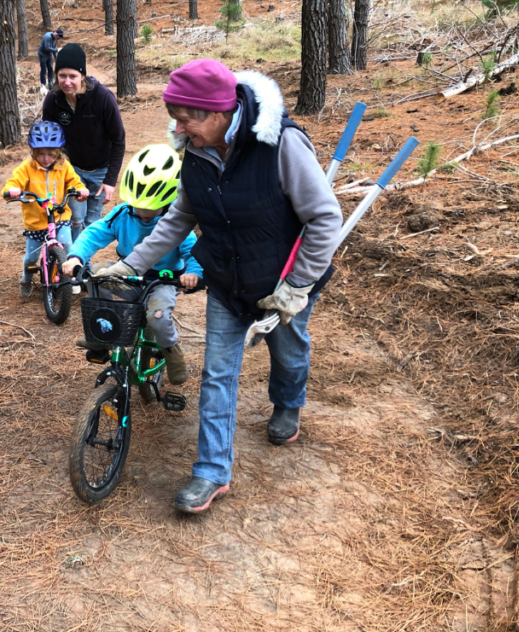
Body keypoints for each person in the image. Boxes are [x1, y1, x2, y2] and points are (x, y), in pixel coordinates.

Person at [95, 60, 343, 515]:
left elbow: (325, 219)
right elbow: (178, 219)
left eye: (185, 117)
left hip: (283, 281)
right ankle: (211, 470)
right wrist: (130, 265)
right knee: (217, 374)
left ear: (218, 112)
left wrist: (297, 286)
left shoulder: (281, 145)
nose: (178, 126)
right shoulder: (197, 153)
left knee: (287, 351)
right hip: (228, 282)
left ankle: (288, 404)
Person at [61, 144, 202, 385]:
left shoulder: (175, 221)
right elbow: (94, 233)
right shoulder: (123, 213)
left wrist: (193, 272)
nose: (143, 212)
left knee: (158, 317)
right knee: (97, 275)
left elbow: (192, 252)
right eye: (138, 204)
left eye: (150, 207)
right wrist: (76, 256)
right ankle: (101, 335)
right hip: (127, 275)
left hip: (162, 281)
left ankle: (171, 351)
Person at [42, 43, 126, 241]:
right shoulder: (53, 100)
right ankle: (72, 264)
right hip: (72, 169)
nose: (67, 82)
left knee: (92, 221)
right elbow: (48, 140)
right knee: (75, 219)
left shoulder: (102, 98)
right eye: (62, 76)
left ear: (82, 75)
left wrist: (110, 180)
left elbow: (118, 140)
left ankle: (83, 266)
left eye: (73, 76)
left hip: (100, 170)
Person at [3, 121, 89, 298]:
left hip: (59, 216)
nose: (46, 158)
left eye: (51, 154)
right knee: (31, 258)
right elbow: (14, 181)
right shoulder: (27, 167)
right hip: (36, 220)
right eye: (40, 154)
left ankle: (69, 276)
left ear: (58, 153)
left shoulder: (63, 166)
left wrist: (80, 190)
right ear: (33, 152)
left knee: (66, 244)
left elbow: (75, 182)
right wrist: (13, 190)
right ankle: (26, 278)